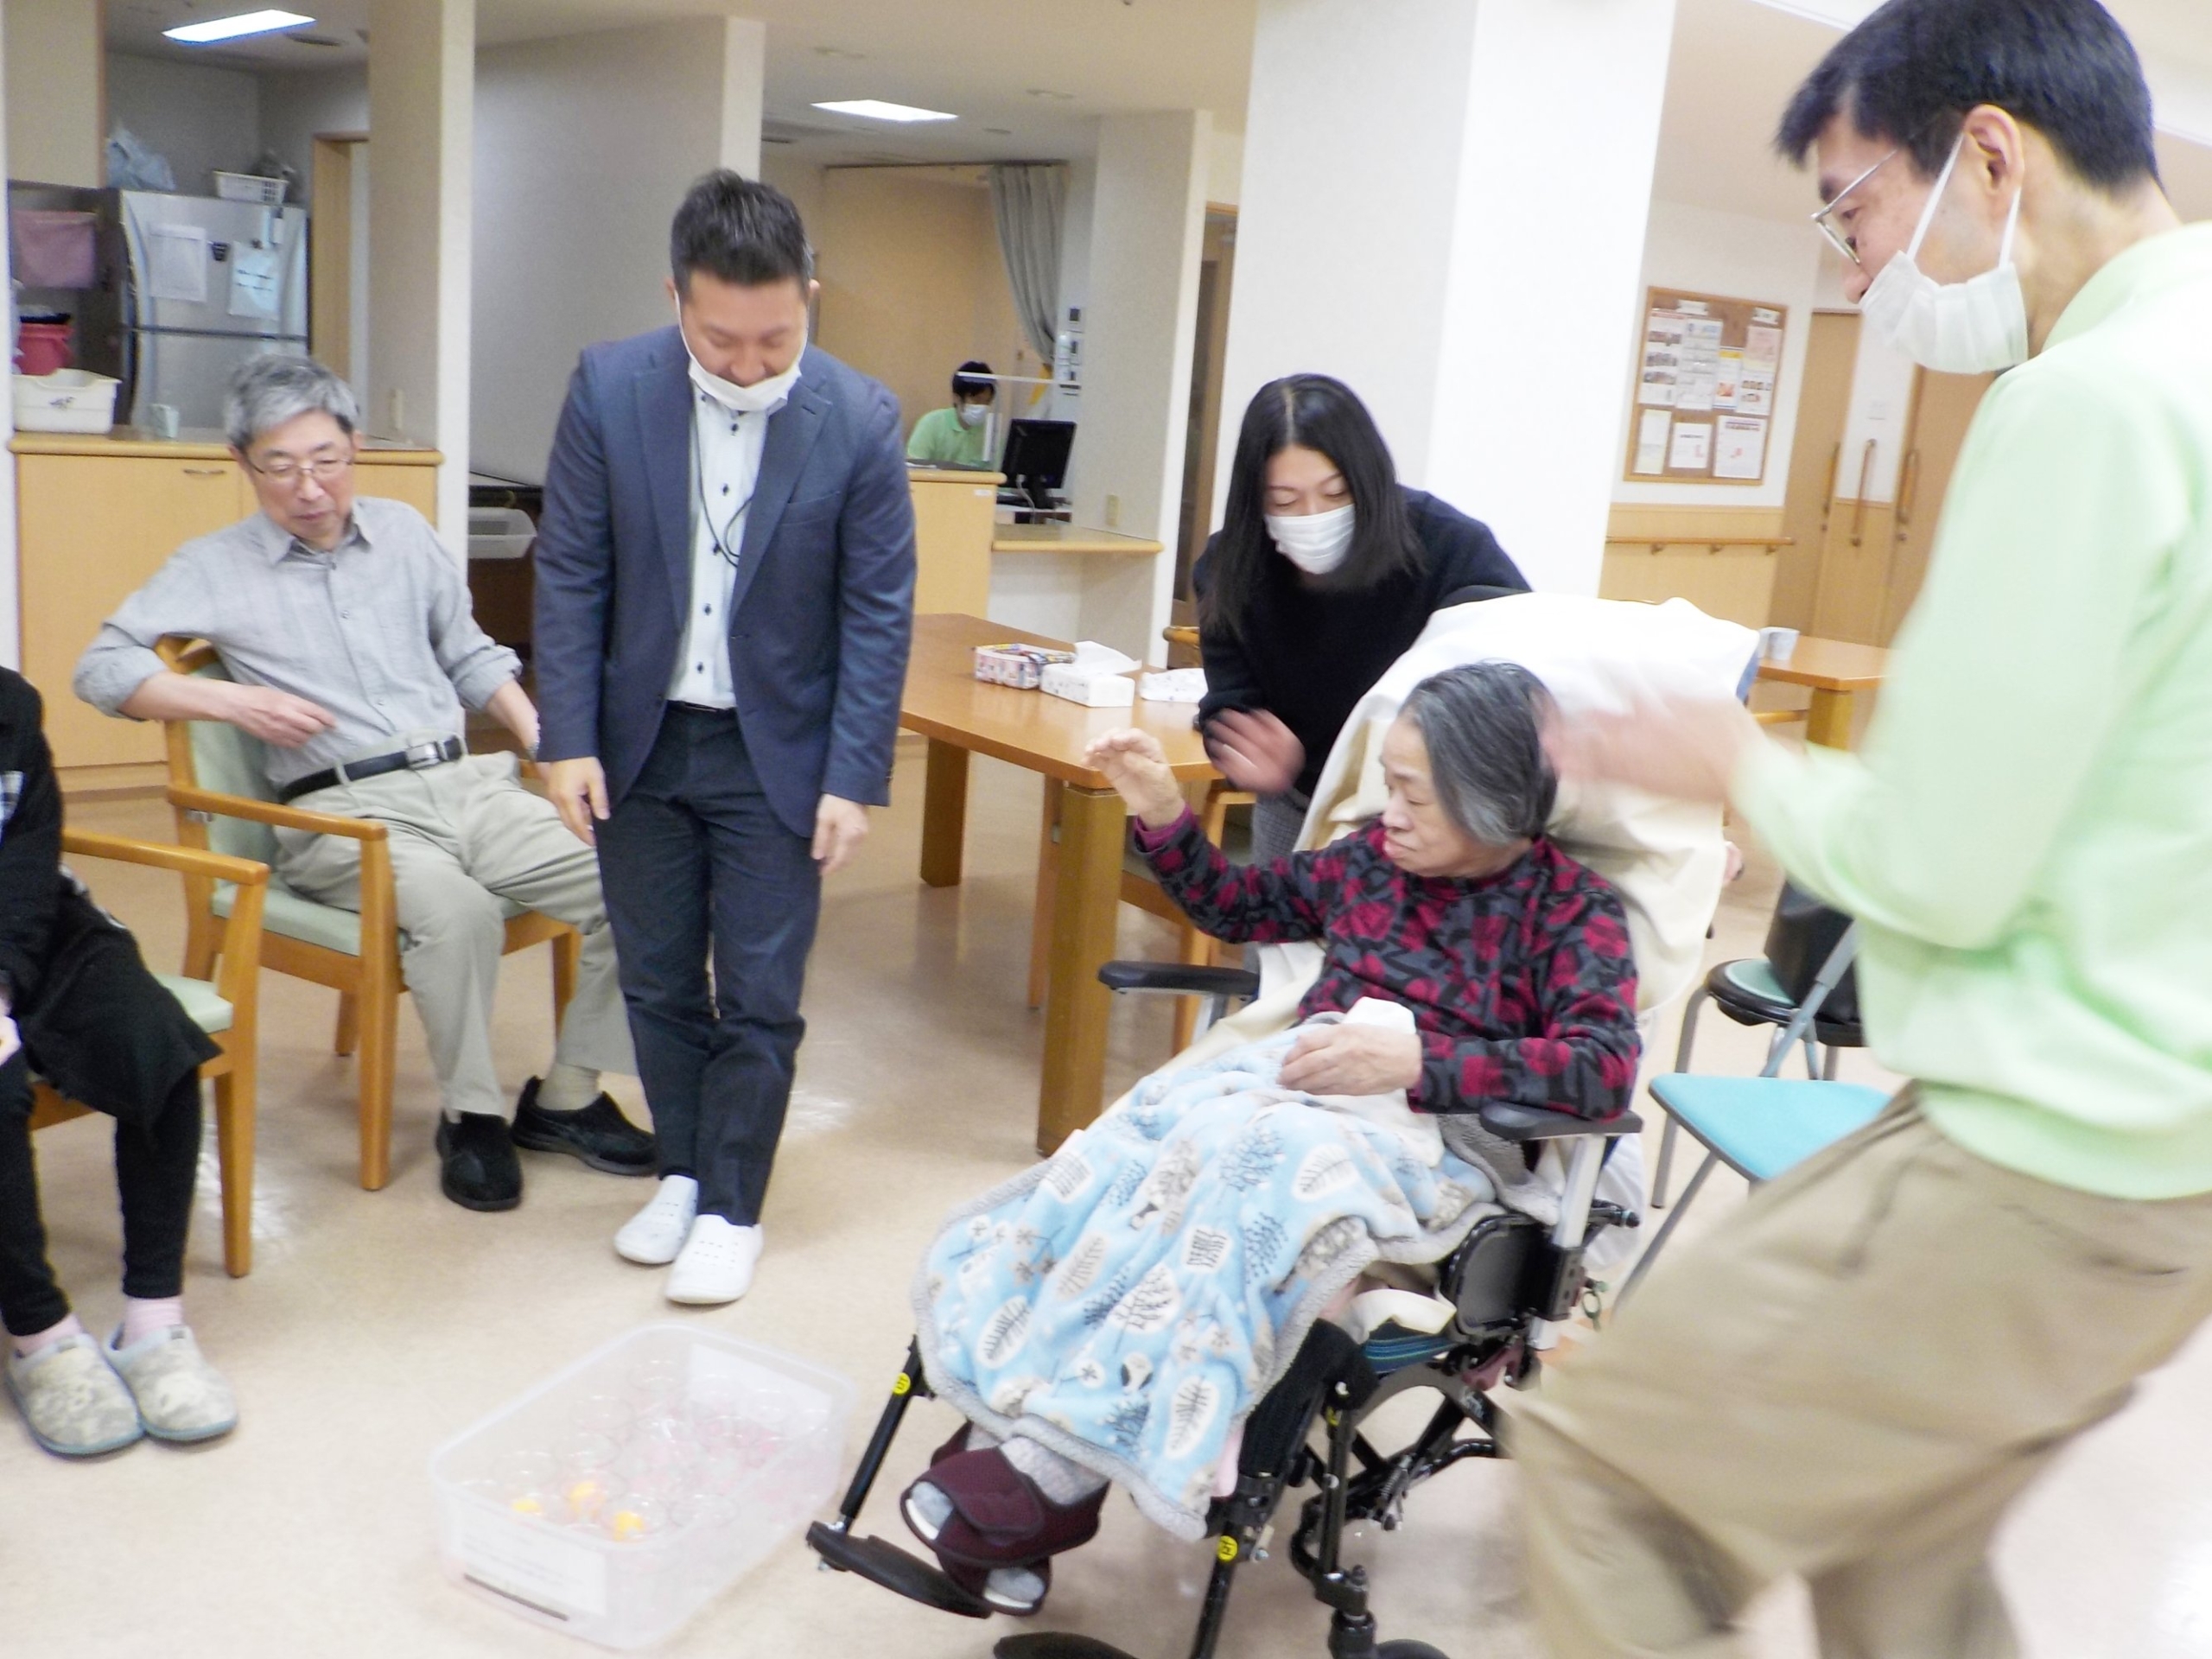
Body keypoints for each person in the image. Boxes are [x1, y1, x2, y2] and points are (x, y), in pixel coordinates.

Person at [1514, 3, 2212, 1655]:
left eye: (1852, 207)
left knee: (1607, 1473)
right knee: (1897, 1568)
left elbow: (1940, 870)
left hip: (2045, 1151)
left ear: (1988, 154)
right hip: (2161, 1167)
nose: (1848, 268)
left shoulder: (2093, 406)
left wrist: (1730, 759)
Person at [902, 663, 1640, 1614]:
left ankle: (1054, 1470)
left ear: (1493, 804)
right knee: (1137, 1153)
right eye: (1390, 782)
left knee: (1254, 1187)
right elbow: (1239, 909)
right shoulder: (1372, 858)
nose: (1391, 810)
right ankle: (1016, 1406)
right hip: (1293, 1086)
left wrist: (1418, 1062)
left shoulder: (1568, 913)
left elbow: (1600, 1069)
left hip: (1433, 1136)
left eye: (1415, 792)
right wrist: (1164, 813)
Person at [74, 355, 650, 1215]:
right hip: (343, 814)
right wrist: (227, 698)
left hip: (466, 783)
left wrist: (555, 753)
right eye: (280, 466)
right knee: (459, 914)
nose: (309, 488)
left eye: (326, 460)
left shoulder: (407, 534)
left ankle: (566, 1097)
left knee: (637, 882)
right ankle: (472, 1116)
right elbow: (100, 669)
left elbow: (471, 656)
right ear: (243, 463)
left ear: (354, 448)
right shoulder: (213, 565)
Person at [533, 170, 916, 1306]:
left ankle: (735, 1206)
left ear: (808, 296)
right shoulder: (611, 386)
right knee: (655, 980)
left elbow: (877, 608)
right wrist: (565, 736)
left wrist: (854, 773)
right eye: (720, 338)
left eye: (774, 337)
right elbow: (571, 571)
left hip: (776, 755)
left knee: (757, 988)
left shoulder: (858, 415)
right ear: (675, 299)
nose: (748, 363)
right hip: (639, 742)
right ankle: (686, 1167)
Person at [0, 668, 237, 1457]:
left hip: (31, 927)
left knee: (155, 1044)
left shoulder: (8, 707)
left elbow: (29, 863)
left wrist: (3, 982)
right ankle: (39, 1333)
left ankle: (153, 1321)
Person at [1194, 374, 1529, 864]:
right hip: (1299, 802)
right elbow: (1229, 701)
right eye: (1284, 501)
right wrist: (1242, 744)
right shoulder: (1232, 565)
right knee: (1282, 936)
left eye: (1336, 494)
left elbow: (1516, 670)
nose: (1312, 516)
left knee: (1394, 941)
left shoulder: (1448, 546)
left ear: (1368, 478)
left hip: (1429, 813)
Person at [906, 360, 997, 467]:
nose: (982, 407)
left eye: (987, 402)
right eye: (976, 400)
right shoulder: (931, 424)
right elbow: (913, 469)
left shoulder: (989, 432)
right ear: (957, 398)